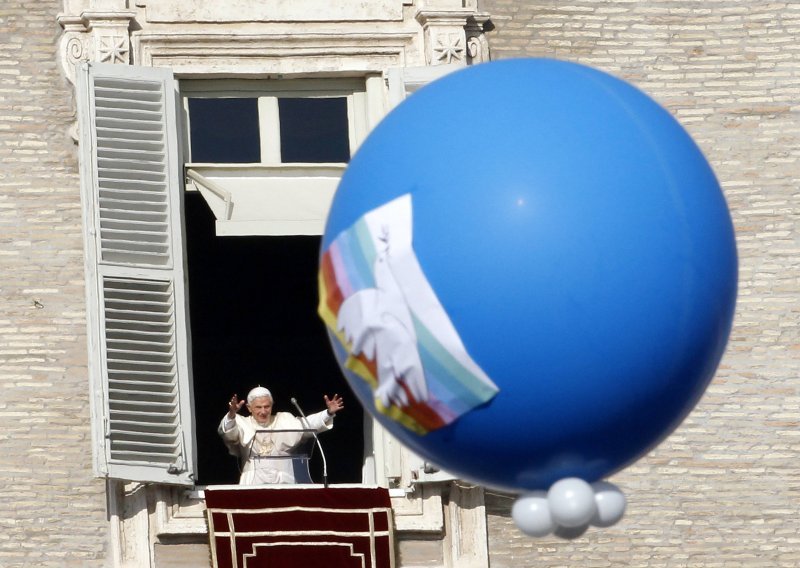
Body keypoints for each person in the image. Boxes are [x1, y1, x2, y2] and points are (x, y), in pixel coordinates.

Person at [218, 386, 344, 485]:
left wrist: (328, 413)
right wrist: (231, 415)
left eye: (267, 406)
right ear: (249, 408)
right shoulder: (241, 423)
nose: (263, 411)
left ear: (272, 406)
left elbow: (307, 424)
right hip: (252, 484)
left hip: (285, 482)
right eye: (258, 407)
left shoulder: (284, 420)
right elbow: (228, 433)